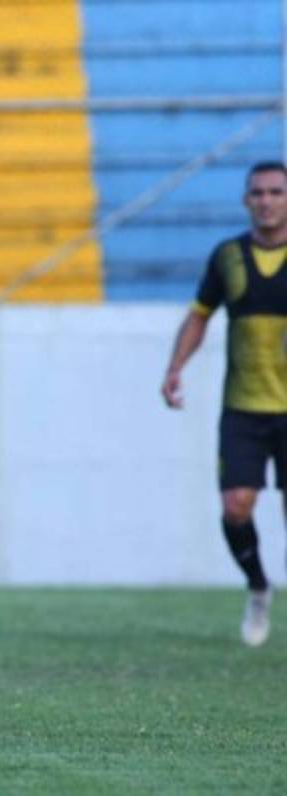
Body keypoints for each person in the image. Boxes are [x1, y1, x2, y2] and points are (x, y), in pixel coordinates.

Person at [161, 161, 287, 647]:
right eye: (258, 193)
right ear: (245, 200)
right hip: (244, 406)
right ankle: (257, 586)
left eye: (276, 192)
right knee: (236, 506)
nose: (267, 201)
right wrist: (175, 367)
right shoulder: (228, 256)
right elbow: (200, 315)